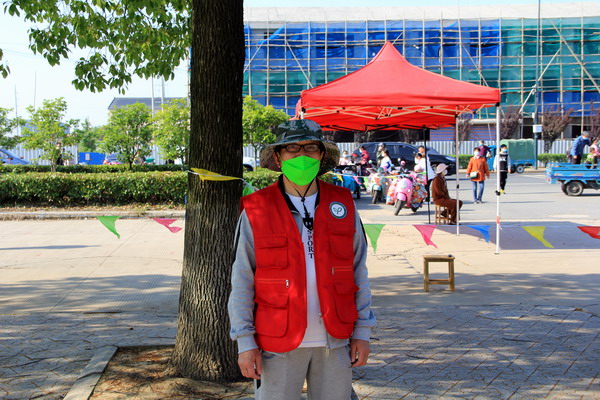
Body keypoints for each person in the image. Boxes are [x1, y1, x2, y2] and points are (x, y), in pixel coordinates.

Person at [228, 119, 376, 400]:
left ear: (321, 155)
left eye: (310, 148)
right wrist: (245, 342)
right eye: (292, 148)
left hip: (336, 340)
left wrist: (363, 332)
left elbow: (359, 271)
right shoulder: (256, 209)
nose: (302, 155)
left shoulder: (343, 203)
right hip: (277, 342)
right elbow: (242, 279)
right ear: (278, 157)